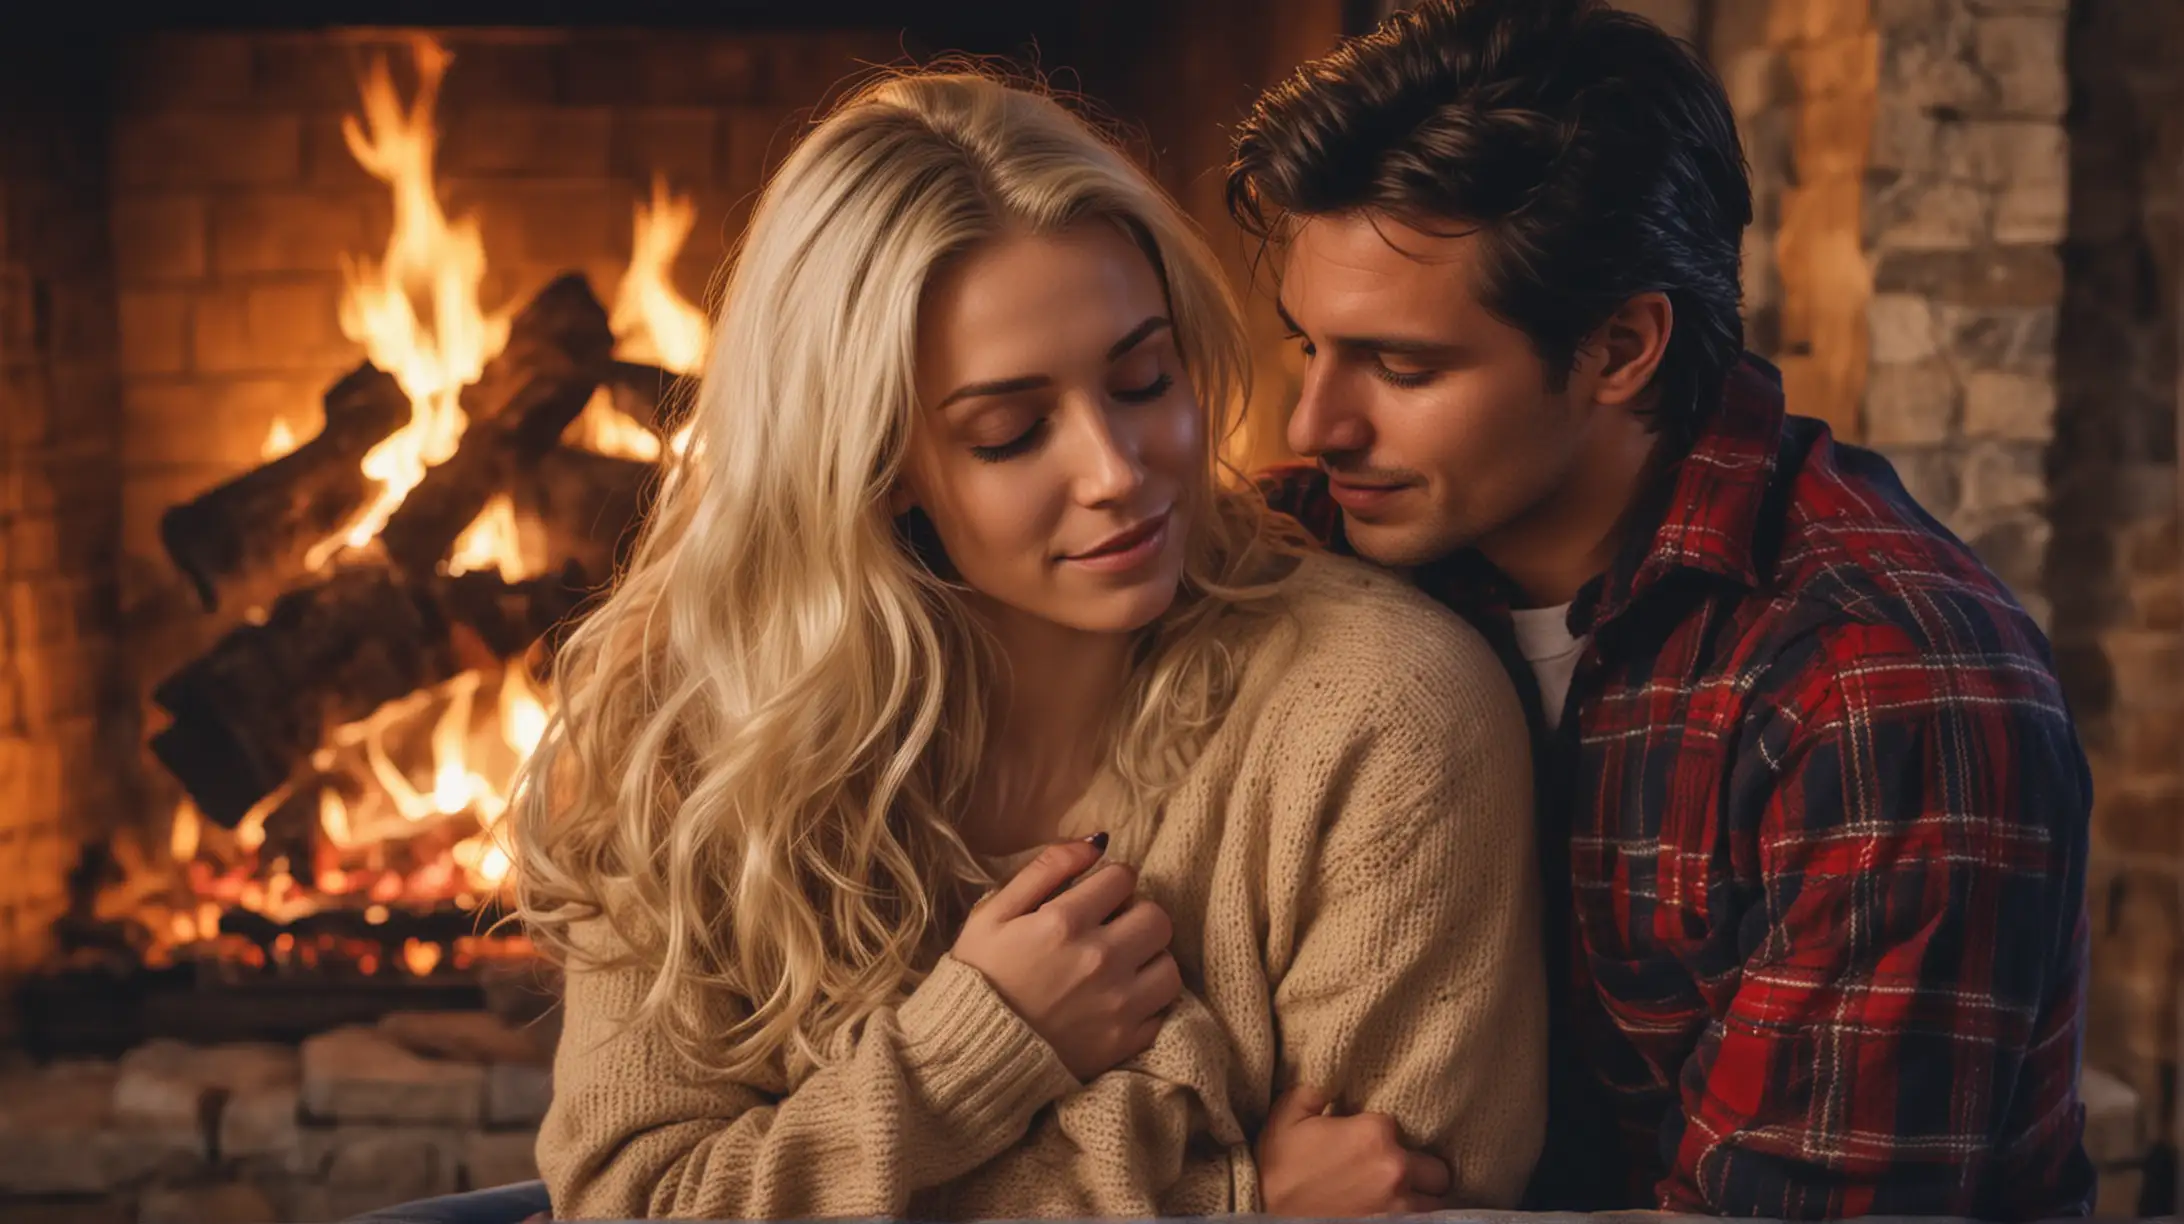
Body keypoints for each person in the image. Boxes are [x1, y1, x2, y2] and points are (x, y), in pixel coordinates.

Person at [510, 67, 1546, 1220]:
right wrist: (1007, 1073)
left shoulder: (1383, 720)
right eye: (1009, 433)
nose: (1118, 472)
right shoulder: (688, 739)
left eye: (1145, 378)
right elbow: (631, 1200)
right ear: (876, 459)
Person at [1228, 0, 2097, 1218]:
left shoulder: (1876, 687)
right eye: (1306, 350)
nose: (1318, 425)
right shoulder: (1313, 541)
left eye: (1404, 367)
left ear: (1624, 346)